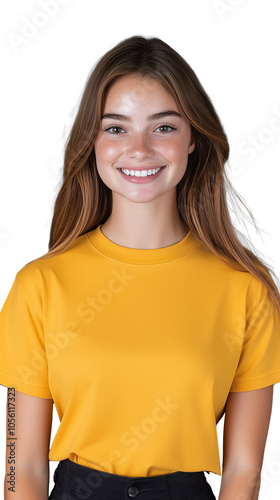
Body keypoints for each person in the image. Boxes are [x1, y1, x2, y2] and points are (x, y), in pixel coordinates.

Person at [1, 36, 280, 500]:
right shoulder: (39, 286)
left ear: (193, 140)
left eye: (164, 128)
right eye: (116, 128)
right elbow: (20, 467)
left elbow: (244, 473)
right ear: (91, 142)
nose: (139, 148)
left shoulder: (246, 291)